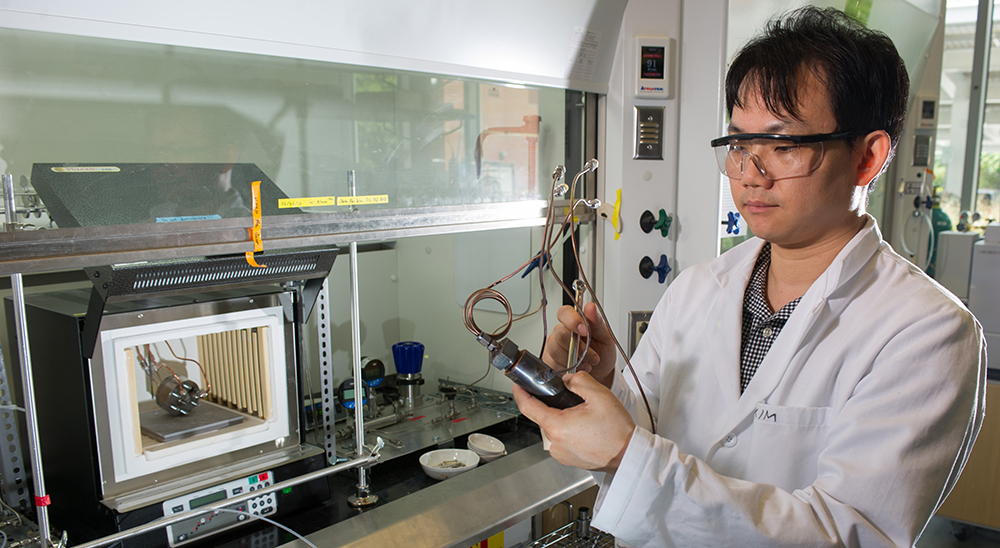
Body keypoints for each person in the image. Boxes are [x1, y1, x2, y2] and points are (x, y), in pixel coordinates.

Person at [512, 7, 987, 547]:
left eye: (782, 147)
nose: (751, 175)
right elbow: (646, 442)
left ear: (867, 157)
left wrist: (627, 455)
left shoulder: (928, 333)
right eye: (739, 146)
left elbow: (850, 535)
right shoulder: (695, 290)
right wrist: (599, 387)